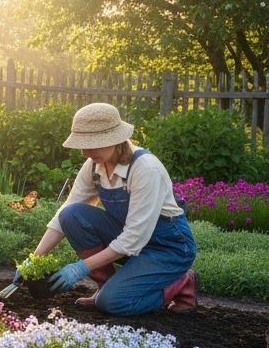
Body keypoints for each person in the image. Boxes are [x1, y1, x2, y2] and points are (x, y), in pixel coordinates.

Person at [28, 102, 199, 314]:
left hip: (167, 248)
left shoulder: (145, 169)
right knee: (71, 215)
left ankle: (181, 282)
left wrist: (80, 268)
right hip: (131, 240)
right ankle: (105, 287)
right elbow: (66, 212)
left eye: (92, 144)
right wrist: (33, 259)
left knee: (114, 303)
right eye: (82, 144)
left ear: (115, 140)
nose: (84, 152)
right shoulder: (94, 165)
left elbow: (133, 238)